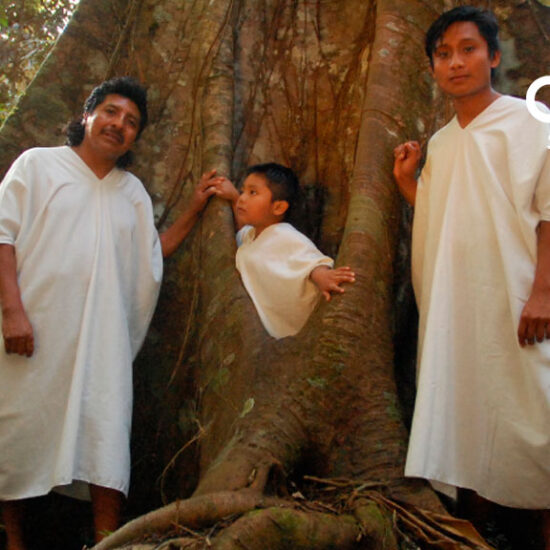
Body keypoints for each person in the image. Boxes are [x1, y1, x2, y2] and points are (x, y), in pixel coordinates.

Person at [0, 76, 222, 550]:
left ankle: (107, 541)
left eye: (131, 122)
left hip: (102, 345)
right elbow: (3, 236)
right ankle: (13, 539)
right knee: (17, 428)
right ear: (87, 115)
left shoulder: (132, 192)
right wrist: (12, 311)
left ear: (136, 138)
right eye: (112, 113)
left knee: (104, 432)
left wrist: (197, 206)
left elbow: (152, 255)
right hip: (33, 333)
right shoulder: (38, 166)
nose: (119, 125)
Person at [392, 6, 550, 546]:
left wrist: (543, 294)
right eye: (443, 54)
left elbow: (549, 212)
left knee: (536, 414)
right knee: (471, 414)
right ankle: (482, 533)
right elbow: (449, 211)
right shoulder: (441, 141)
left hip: (521, 300)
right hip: (459, 308)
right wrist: (409, 184)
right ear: (433, 68)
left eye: (468, 49)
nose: (455, 62)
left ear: (494, 57)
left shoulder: (531, 123)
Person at [214, 163, 355, 339]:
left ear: (278, 207)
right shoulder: (251, 235)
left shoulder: (284, 235)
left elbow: (310, 261)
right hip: (267, 335)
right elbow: (243, 232)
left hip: (299, 331)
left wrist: (324, 277)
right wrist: (233, 197)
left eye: (253, 193)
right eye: (243, 191)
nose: (243, 198)